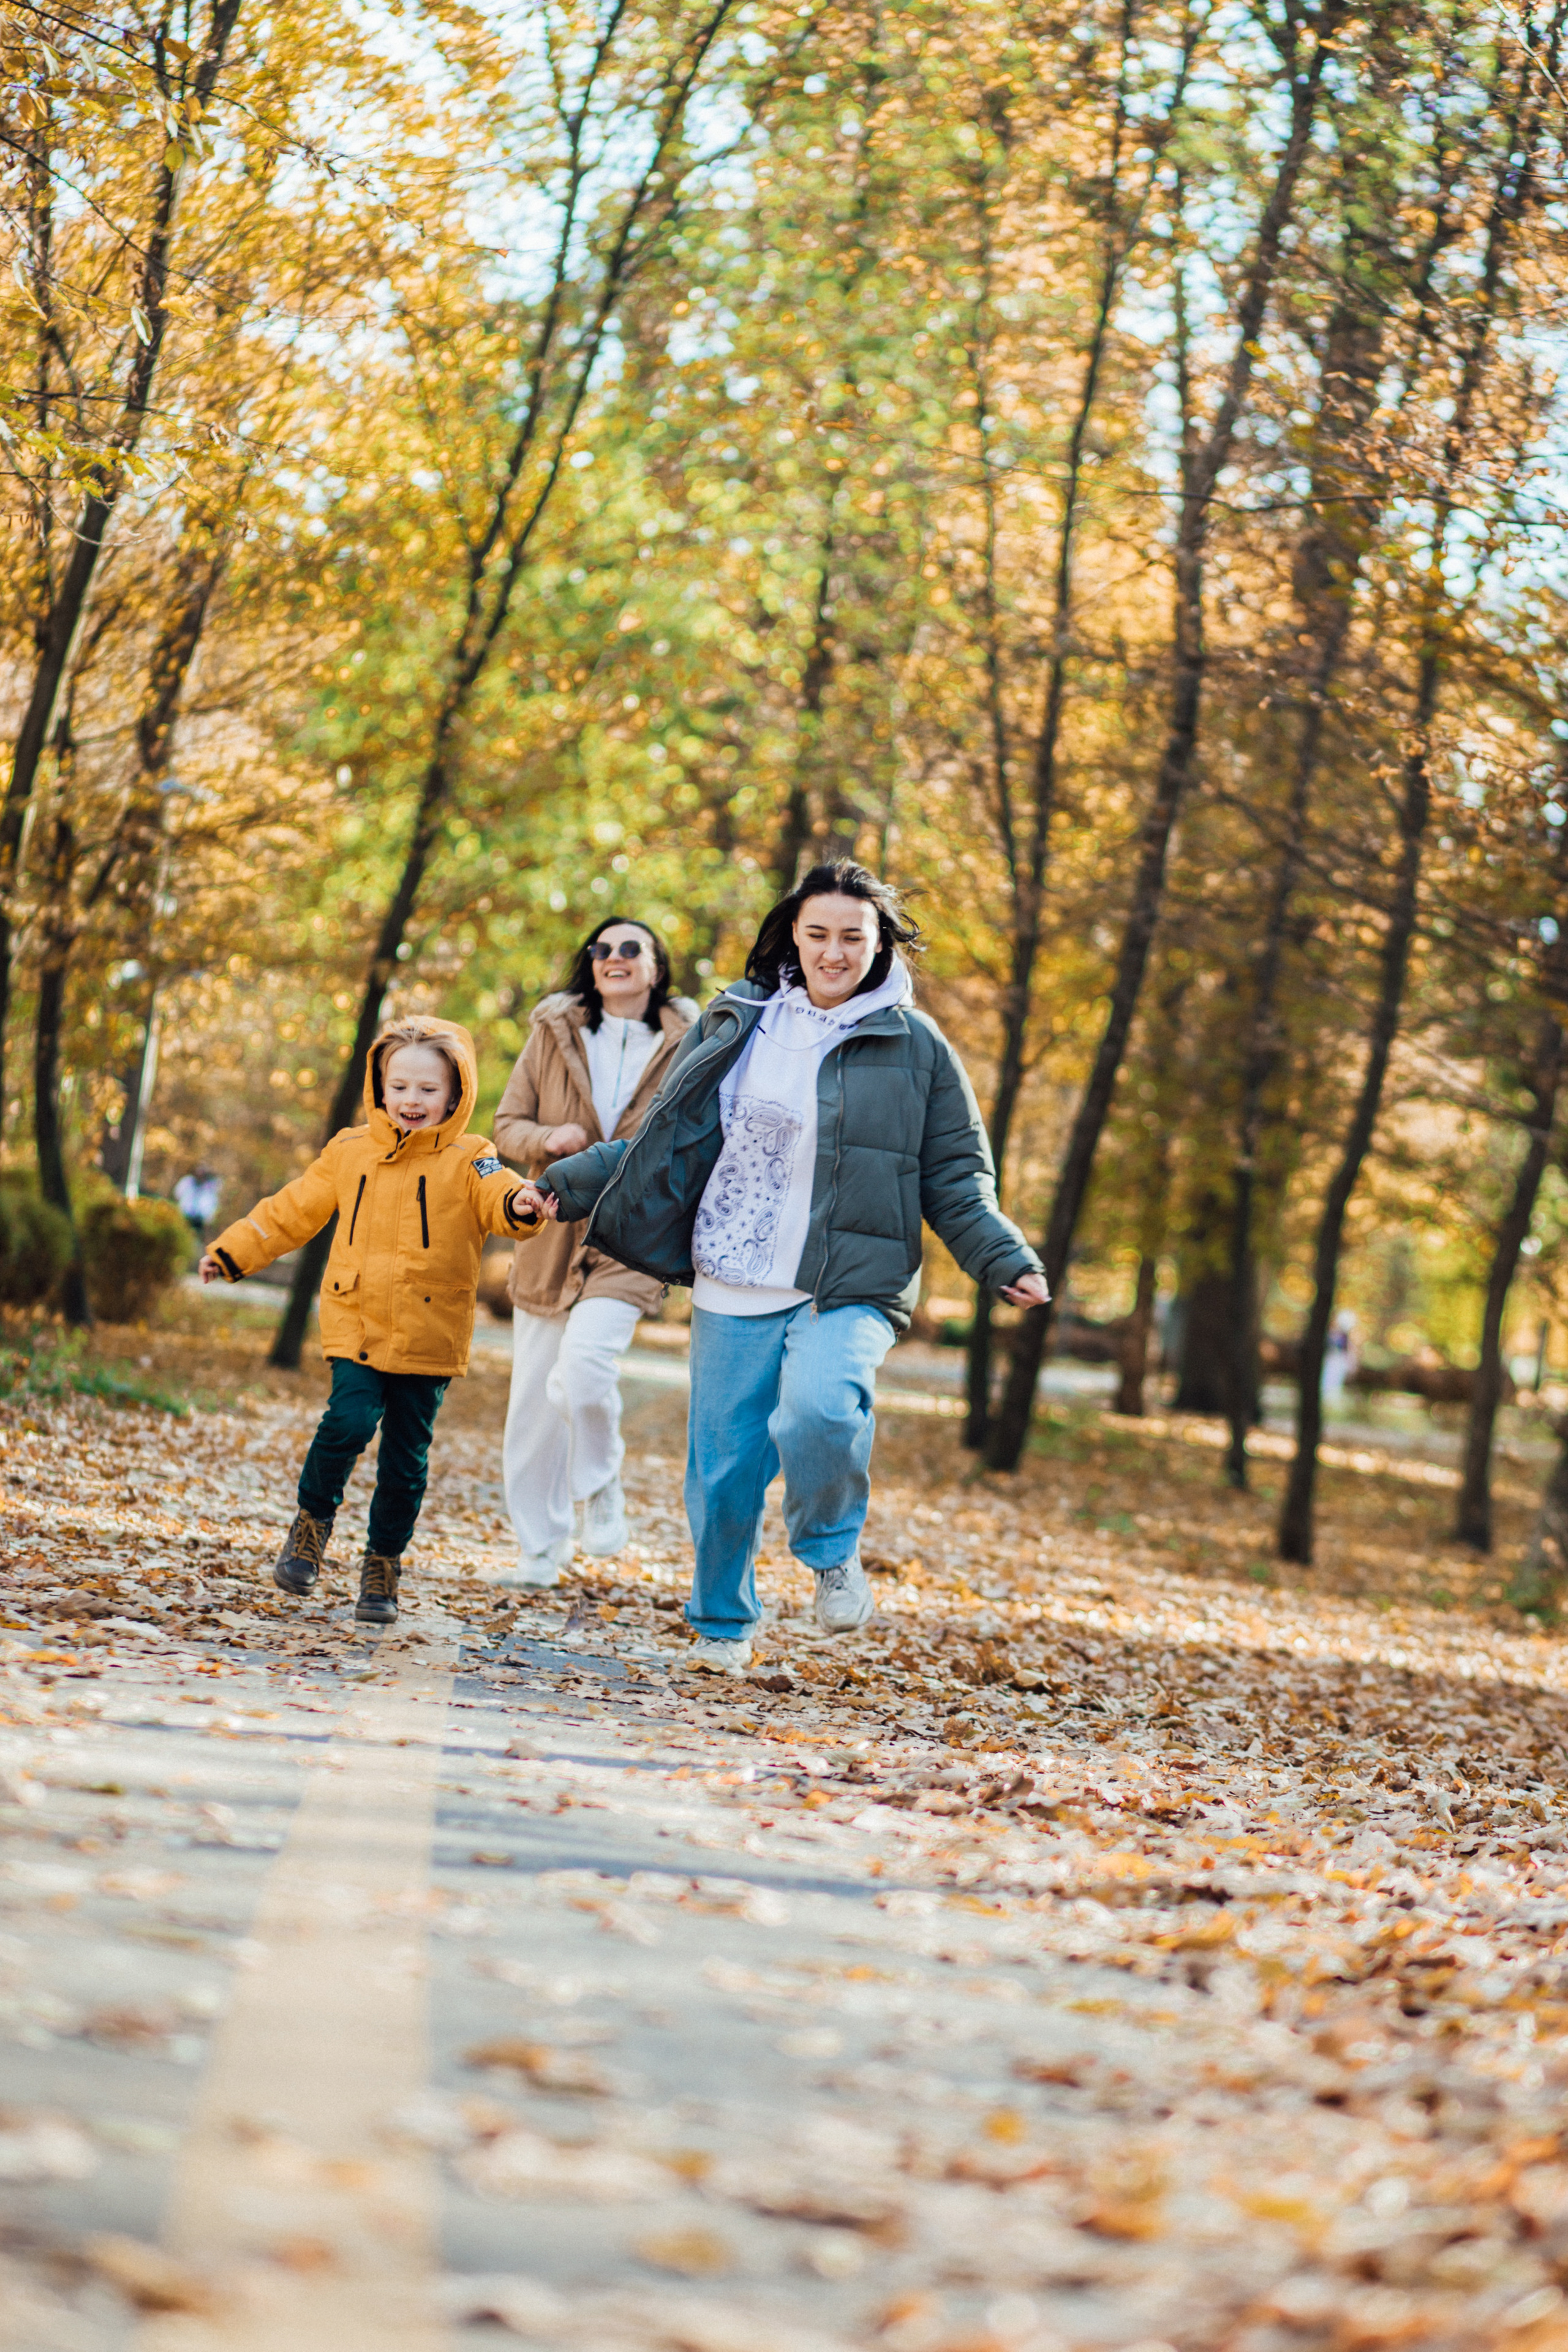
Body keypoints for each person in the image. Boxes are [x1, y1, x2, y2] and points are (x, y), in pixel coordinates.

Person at [520, 860, 1050, 1673]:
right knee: (723, 1471)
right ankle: (723, 1626)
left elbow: (954, 1176)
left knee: (822, 1411)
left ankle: (830, 1549)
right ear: (791, 939)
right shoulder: (739, 1022)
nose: (833, 953)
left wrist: (1002, 1258)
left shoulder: (916, 1044)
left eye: (852, 937)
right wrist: (569, 1184)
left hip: (850, 1277)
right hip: (736, 1270)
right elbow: (664, 1136)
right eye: (818, 936)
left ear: (879, 945)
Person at [200, 1017, 540, 1626]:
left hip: (431, 1331)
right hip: (356, 1315)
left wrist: (520, 1204)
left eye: (428, 1090)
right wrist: (233, 1252)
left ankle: (382, 1568)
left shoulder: (474, 1158)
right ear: (380, 1088)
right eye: (400, 1086)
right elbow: (291, 1210)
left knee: (406, 1459)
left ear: (456, 1093)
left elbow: (502, 1195)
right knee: (348, 1421)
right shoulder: (349, 1151)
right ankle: (310, 1527)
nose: (412, 1100)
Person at [493, 919, 695, 1586]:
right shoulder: (552, 1033)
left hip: (635, 1238)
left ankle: (601, 1481)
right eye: (602, 950)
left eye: (631, 948)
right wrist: (550, 1137)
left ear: (656, 965)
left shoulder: (689, 1042)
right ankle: (540, 1550)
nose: (615, 959)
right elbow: (505, 1127)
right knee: (532, 1404)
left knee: (584, 1367)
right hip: (551, 1231)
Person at [174, 1166, 221, 1240]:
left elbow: (213, 1203)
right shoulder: (187, 1182)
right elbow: (177, 1194)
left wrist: (209, 1218)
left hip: (200, 1219)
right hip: (184, 1215)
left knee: (195, 1239)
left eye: (203, 1173)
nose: (200, 1175)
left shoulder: (211, 1187)